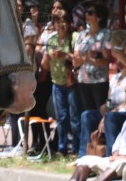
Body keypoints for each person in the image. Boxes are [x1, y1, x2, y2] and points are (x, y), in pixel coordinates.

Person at [69, 83, 126, 181]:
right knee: (85, 160)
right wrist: (116, 155)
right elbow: (119, 140)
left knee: (118, 164)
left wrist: (124, 158)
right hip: (118, 159)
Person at [42, 12, 80, 156]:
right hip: (56, 83)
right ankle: (62, 148)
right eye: (58, 21)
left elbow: (78, 58)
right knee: (61, 117)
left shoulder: (75, 37)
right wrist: (46, 58)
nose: (61, 24)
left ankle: (76, 148)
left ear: (69, 23)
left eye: (64, 20)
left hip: (72, 83)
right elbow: (45, 66)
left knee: (75, 116)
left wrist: (64, 55)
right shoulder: (51, 40)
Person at [74, 1, 113, 116]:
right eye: (86, 13)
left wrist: (88, 60)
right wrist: (82, 59)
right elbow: (75, 59)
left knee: (101, 113)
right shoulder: (81, 35)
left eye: (90, 13)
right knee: (87, 114)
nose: (87, 15)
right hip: (83, 80)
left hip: (99, 81)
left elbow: (107, 60)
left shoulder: (106, 34)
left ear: (99, 17)